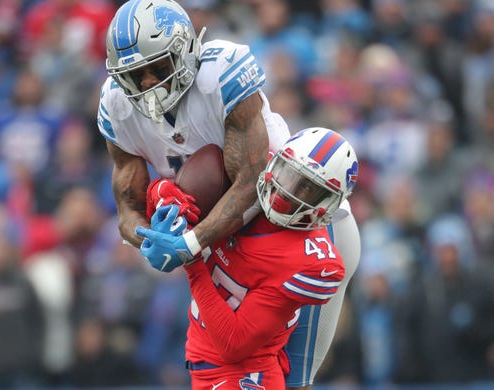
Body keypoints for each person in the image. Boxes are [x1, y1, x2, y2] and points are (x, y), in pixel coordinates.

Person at [97, 1, 361, 388]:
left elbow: (249, 182)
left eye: (158, 68)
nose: (150, 83)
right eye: (136, 75)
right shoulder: (116, 104)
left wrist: (189, 244)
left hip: (294, 234)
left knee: (294, 379)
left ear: (186, 50)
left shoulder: (221, 73)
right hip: (228, 248)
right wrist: (151, 236)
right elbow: (128, 206)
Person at [136, 127, 359, 389]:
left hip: (245, 377)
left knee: (300, 380)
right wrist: (164, 196)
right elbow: (167, 190)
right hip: (205, 366)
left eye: (308, 190)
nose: (286, 192)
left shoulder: (309, 261)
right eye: (288, 174)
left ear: (329, 204)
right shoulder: (241, 179)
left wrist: (192, 260)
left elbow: (233, 343)